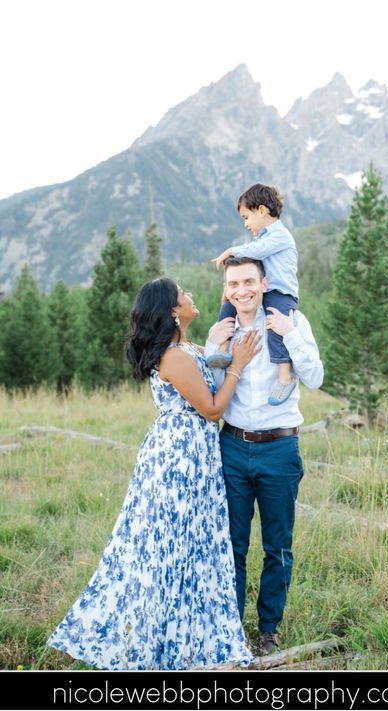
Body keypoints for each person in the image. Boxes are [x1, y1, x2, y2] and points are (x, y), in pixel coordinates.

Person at [47, 277, 261, 670]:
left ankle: (181, 631)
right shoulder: (174, 356)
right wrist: (240, 367)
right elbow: (212, 409)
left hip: (193, 456)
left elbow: (213, 356)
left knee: (188, 547)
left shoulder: (185, 348)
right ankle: (155, 637)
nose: (190, 294)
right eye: (183, 292)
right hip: (178, 461)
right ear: (172, 311)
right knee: (170, 548)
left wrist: (231, 294)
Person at [205, 257, 324, 655]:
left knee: (278, 546)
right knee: (232, 545)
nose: (242, 290)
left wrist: (290, 335)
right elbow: (212, 393)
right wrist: (217, 348)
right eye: (233, 283)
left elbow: (317, 377)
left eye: (248, 281)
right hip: (233, 447)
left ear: (264, 282)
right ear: (226, 289)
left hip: (279, 448)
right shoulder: (220, 330)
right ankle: (231, 627)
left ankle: (269, 627)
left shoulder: (290, 319)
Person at [208, 183, 299, 406]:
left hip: (280, 292)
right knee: (228, 307)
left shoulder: (281, 236)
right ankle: (222, 349)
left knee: (276, 328)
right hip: (264, 289)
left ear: (261, 210)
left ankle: (285, 377)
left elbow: (257, 252)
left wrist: (232, 251)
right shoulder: (264, 237)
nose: (246, 224)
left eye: (246, 217)